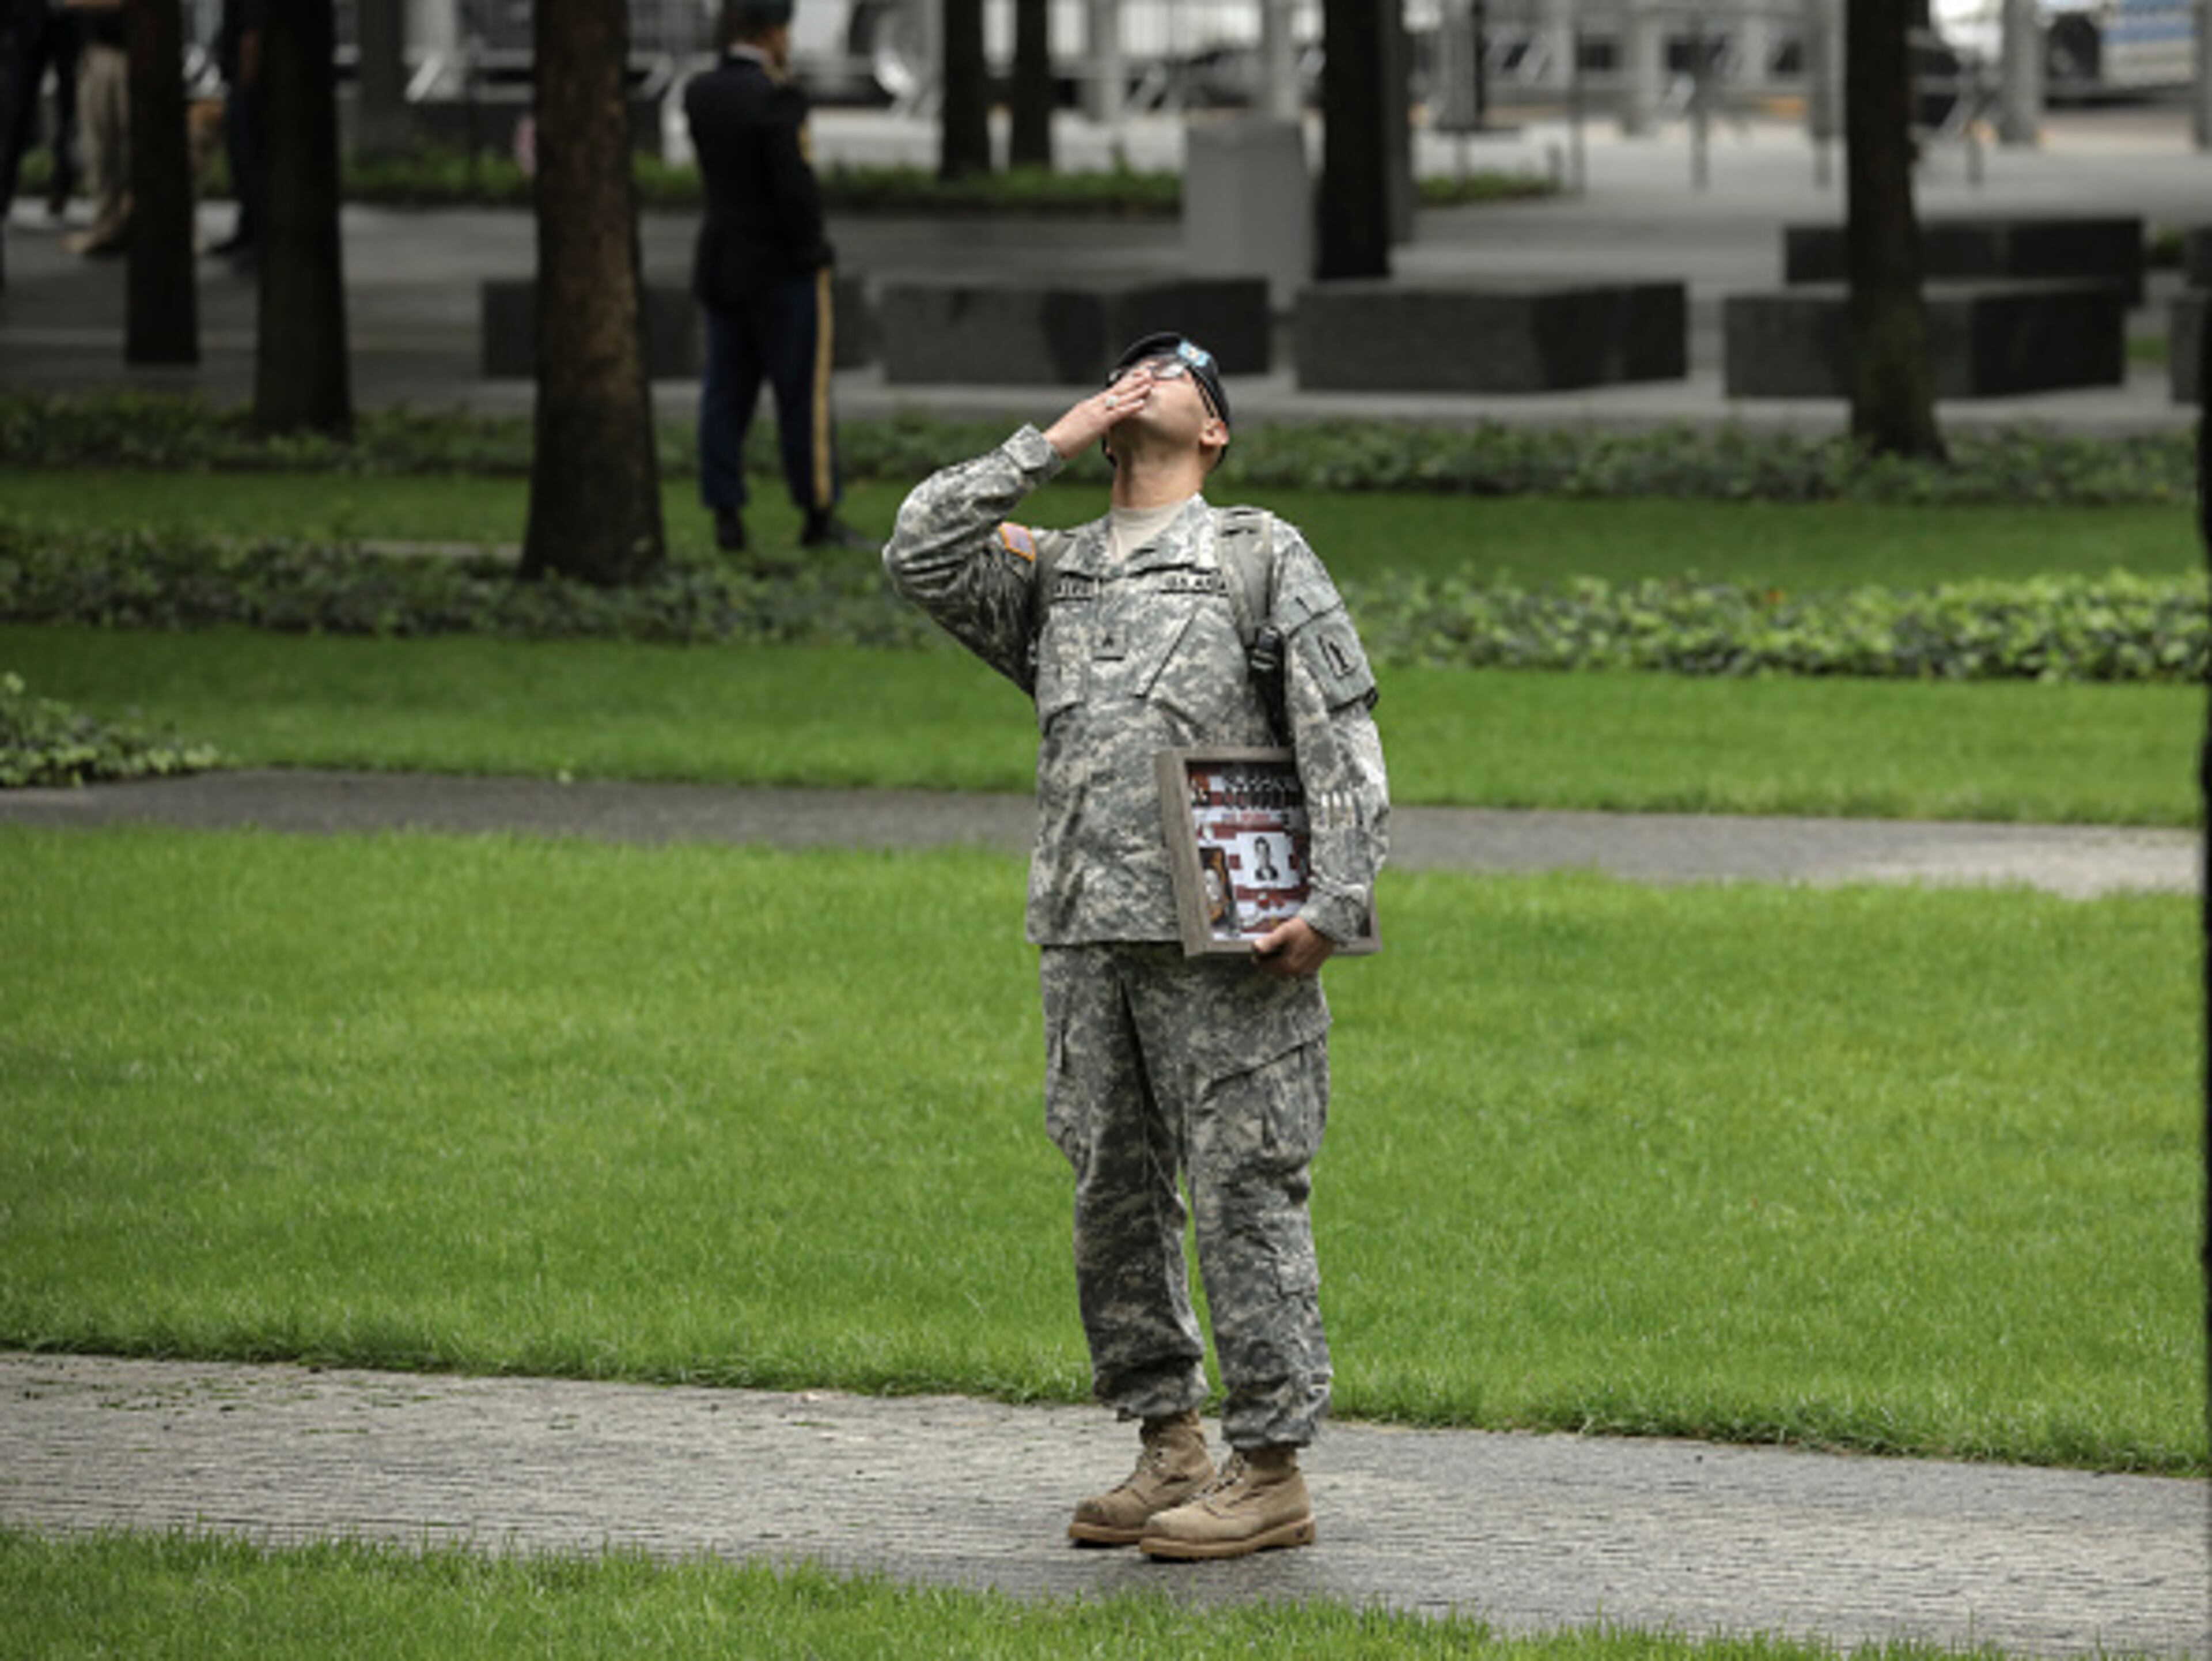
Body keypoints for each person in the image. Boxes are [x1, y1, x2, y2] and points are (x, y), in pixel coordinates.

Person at [881, 332, 1390, 1561]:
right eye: (1129, 370)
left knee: (1243, 1189)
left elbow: (1341, 732)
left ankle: (1270, 1466)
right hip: (1083, 933)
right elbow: (919, 546)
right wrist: (1045, 445)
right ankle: (1169, 1439)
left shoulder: (1254, 554)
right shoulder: (1054, 572)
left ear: (1212, 429)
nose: (1144, 374)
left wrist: (1337, 900)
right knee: (1112, 1193)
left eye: (1173, 371)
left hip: (1228, 938)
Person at [684, 0, 863, 558]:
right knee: (801, 396)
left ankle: (726, 513)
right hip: (784, 269)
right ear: (770, 33)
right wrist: (814, 250)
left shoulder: (702, 93)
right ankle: (816, 510)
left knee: (724, 394)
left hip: (723, 262)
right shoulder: (777, 98)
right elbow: (795, 190)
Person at [0, 0, 79, 224]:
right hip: (26, 24)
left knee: (69, 112)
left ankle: (62, 186)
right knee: (16, 111)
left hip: (69, 25)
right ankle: (5, 187)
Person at [59, 0, 120, 257]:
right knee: (99, 149)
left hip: (122, 52)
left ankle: (116, 224)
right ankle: (107, 226)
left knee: (121, 148)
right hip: (96, 51)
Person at [206, 0, 260, 263]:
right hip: (239, 81)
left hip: (246, 87)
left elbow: (252, 33)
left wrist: (245, 85)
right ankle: (247, 230)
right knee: (242, 162)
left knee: (248, 161)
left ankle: (255, 236)